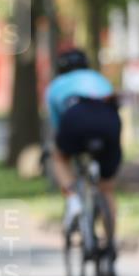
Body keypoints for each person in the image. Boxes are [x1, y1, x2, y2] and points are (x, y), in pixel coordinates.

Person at [45, 49, 122, 241]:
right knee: (107, 189)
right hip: (109, 119)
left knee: (59, 156)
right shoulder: (99, 78)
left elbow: (58, 125)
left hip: (75, 117)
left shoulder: (56, 86)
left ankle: (72, 199)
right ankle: (110, 243)